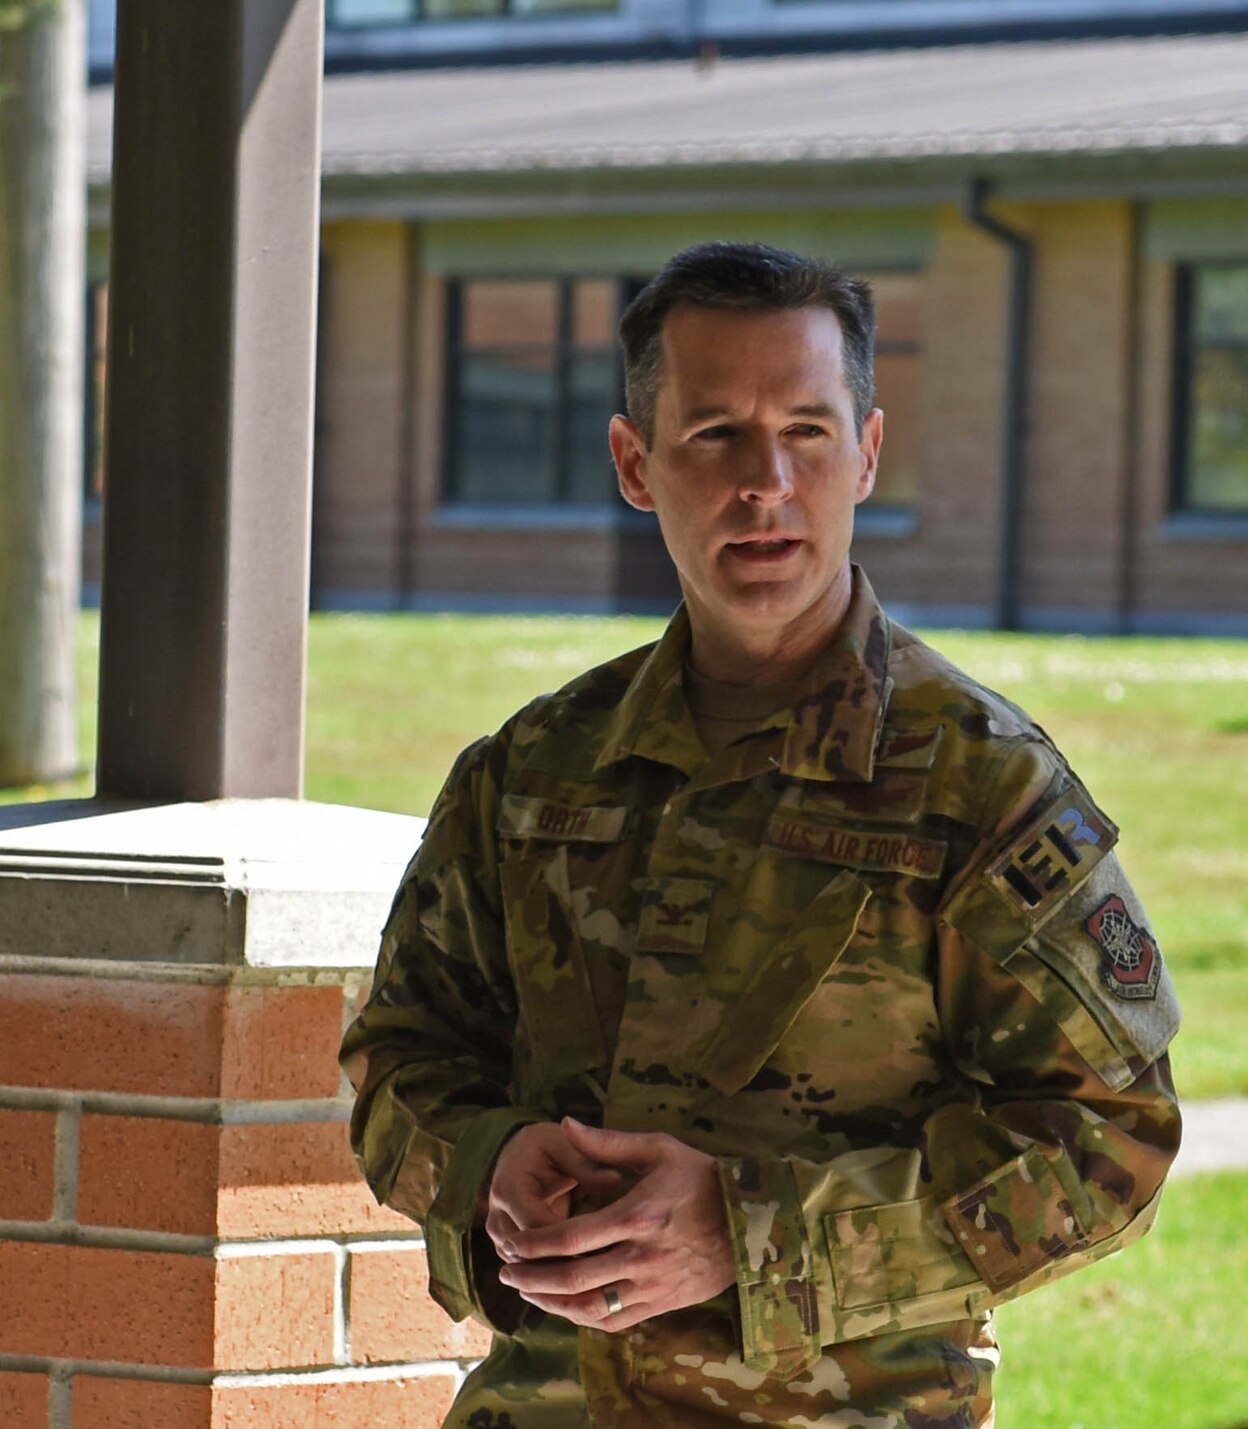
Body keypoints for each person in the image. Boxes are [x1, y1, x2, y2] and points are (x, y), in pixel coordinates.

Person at [339, 242, 1181, 1429]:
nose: (765, 483)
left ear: (868, 454)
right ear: (637, 464)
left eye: (808, 431)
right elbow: (398, 1058)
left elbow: (1108, 1143)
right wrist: (487, 1164)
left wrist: (755, 1238)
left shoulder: (977, 787)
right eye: (716, 435)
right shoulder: (532, 772)